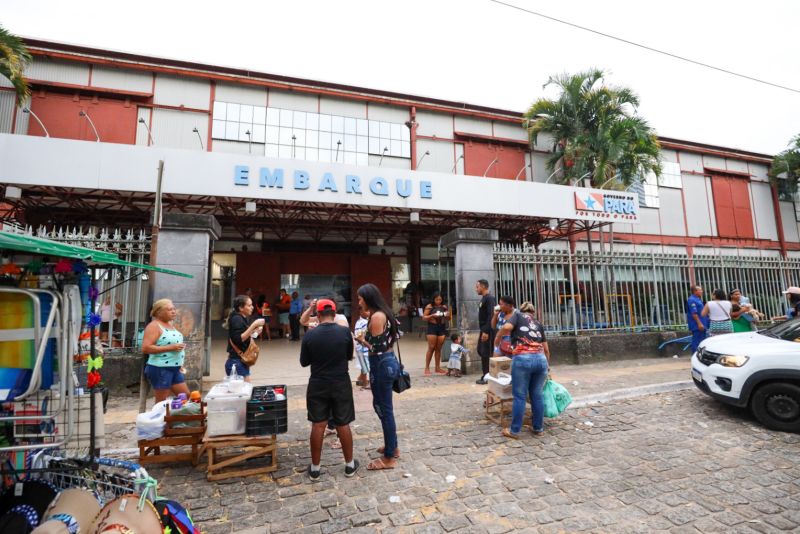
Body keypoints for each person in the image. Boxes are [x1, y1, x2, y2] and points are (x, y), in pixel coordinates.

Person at [300, 299, 360, 481]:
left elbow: (304, 362)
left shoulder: (310, 335)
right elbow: (349, 355)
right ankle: (349, 465)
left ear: (317, 315)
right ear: (335, 314)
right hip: (340, 382)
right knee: (343, 423)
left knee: (318, 424)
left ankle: (316, 469)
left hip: (318, 383)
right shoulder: (344, 333)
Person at [354, 283, 400, 470]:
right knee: (381, 406)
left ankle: (390, 457)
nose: (358, 302)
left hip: (381, 364)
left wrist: (361, 340)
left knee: (384, 409)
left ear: (368, 298)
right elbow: (395, 335)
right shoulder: (382, 313)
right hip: (386, 362)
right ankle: (392, 446)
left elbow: (377, 348)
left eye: (360, 298)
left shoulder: (378, 317)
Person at [495, 295, 550, 439]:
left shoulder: (517, 316)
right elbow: (546, 349)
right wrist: (547, 367)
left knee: (519, 396)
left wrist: (498, 337)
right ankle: (538, 428)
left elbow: (506, 327)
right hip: (540, 360)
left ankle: (514, 431)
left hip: (523, 359)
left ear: (521, 310)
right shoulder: (538, 323)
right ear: (533, 312)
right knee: (537, 395)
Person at [141, 299, 190, 403]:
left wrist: (179, 362)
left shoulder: (169, 324)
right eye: (169, 309)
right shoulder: (154, 326)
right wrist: (171, 348)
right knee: (161, 403)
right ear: (159, 312)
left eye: (174, 309)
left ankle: (178, 417)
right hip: (160, 368)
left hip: (175, 368)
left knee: (185, 396)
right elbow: (145, 348)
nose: (173, 311)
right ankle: (160, 419)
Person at [226, 294, 266, 382]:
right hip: (236, 362)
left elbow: (244, 336)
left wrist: (255, 333)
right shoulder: (236, 319)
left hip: (240, 361)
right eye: (249, 305)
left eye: (252, 305)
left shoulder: (242, 318)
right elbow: (239, 339)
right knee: (244, 390)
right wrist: (254, 324)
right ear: (241, 308)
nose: (252, 307)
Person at [422, 292, 449, 375]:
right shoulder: (429, 306)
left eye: (440, 299)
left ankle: (437, 367)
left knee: (438, 348)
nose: (438, 301)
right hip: (432, 327)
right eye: (437, 299)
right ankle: (427, 368)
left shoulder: (444, 307)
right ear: (433, 299)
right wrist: (432, 316)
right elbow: (424, 317)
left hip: (441, 327)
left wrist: (447, 315)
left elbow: (448, 318)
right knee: (431, 347)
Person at [475, 279, 496, 384]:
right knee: (481, 351)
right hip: (483, 329)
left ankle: (487, 376)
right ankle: (486, 374)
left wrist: (486, 331)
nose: (476, 289)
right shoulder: (484, 299)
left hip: (487, 330)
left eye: (477, 287)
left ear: (483, 287)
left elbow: (491, 316)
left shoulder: (490, 299)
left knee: (486, 353)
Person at [686, 285, 708, 352]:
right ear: (695, 291)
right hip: (697, 325)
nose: (702, 291)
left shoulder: (698, 299)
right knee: (696, 341)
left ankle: (700, 356)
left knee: (702, 341)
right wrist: (699, 323)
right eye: (700, 290)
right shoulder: (691, 300)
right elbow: (694, 313)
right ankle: (695, 355)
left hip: (702, 323)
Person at [354, 306, 371, 389]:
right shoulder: (362, 322)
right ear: (361, 312)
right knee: (365, 367)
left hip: (364, 348)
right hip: (362, 348)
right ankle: (365, 383)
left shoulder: (364, 321)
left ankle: (360, 379)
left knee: (364, 366)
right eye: (366, 311)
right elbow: (359, 335)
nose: (369, 312)